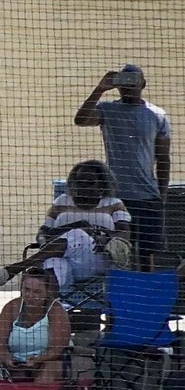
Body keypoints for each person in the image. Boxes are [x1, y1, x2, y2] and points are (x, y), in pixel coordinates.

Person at [74, 64, 171, 269]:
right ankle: (118, 297)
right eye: (123, 81)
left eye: (132, 80)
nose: (128, 86)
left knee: (146, 255)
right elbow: (80, 120)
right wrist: (100, 89)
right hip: (116, 198)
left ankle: (145, 296)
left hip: (147, 197)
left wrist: (162, 196)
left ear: (143, 84)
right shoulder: (107, 109)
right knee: (116, 253)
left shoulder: (157, 115)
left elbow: (163, 158)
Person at [0, 159, 132, 291]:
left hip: (96, 259)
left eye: (89, 183)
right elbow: (42, 234)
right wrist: (74, 226)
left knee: (78, 234)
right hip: (64, 259)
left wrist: (106, 239)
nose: (82, 187)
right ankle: (46, 312)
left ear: (101, 185)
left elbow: (124, 234)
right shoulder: (62, 201)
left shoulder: (114, 203)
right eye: (79, 182)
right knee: (52, 266)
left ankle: (15, 268)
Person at [0, 267, 70, 384]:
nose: (30, 295)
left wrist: (39, 359)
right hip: (15, 364)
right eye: (27, 290)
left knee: (46, 373)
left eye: (37, 291)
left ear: (47, 292)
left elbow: (57, 350)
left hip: (47, 361)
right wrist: (6, 358)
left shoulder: (56, 310)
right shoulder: (11, 308)